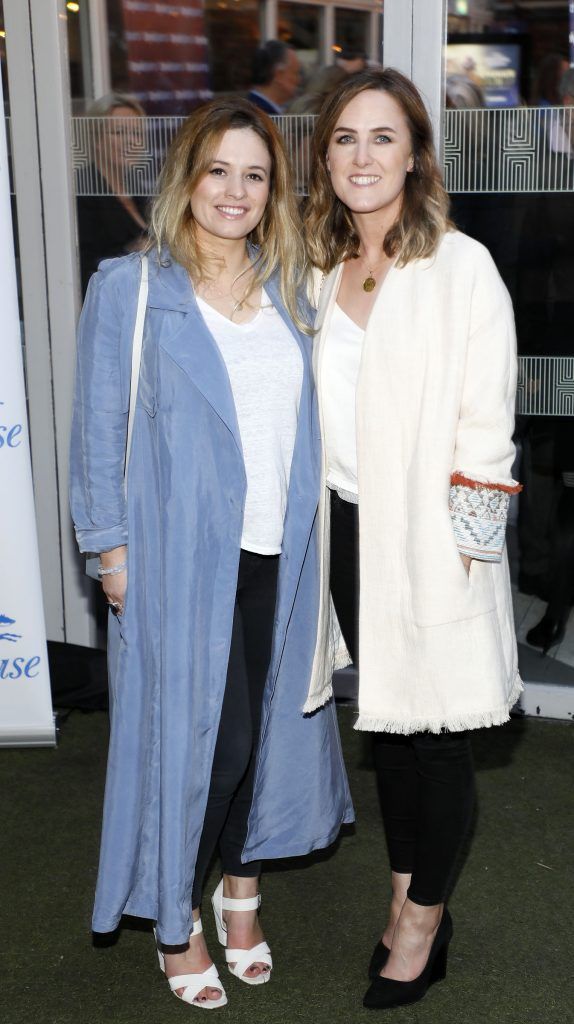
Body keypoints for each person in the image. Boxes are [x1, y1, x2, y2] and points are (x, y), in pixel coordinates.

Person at [70, 96, 353, 1010]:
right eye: (218, 170)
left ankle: (243, 895)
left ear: (274, 191)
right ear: (187, 175)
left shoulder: (293, 284)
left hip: (286, 551)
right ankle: (174, 918)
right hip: (180, 562)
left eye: (256, 174)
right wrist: (110, 555)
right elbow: (97, 431)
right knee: (213, 745)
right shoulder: (133, 288)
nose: (235, 191)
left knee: (270, 738)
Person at [303, 68, 522, 1010]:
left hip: (433, 540)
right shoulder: (315, 264)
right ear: (325, 157)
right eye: (345, 138)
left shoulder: (461, 265)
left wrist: (465, 553)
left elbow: (488, 419)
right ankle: (404, 898)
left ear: (416, 153)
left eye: (382, 137)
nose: (363, 156)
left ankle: (424, 925)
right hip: (345, 529)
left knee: (436, 740)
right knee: (387, 728)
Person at [76, 93, 148, 295]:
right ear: (96, 139)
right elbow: (80, 266)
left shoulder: (136, 185)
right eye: (118, 132)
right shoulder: (82, 190)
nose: (131, 142)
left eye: (136, 134)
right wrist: (133, 251)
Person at [247, 40, 301, 114]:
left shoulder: (253, 108)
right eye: (295, 72)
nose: (298, 80)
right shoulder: (259, 116)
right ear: (278, 75)